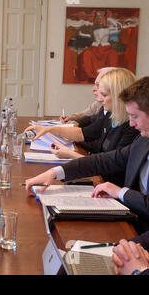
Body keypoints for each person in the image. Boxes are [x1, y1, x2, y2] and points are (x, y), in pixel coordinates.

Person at [24, 76, 149, 232]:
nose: (131, 123)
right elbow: (104, 161)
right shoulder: (142, 141)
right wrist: (55, 173)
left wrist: (121, 192)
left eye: (135, 117)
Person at [25, 68, 139, 186]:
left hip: (111, 186)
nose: (101, 99)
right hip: (102, 181)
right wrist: (49, 129)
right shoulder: (110, 115)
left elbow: (110, 164)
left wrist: (70, 154)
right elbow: (84, 133)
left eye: (104, 94)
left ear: (118, 96)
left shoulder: (132, 129)